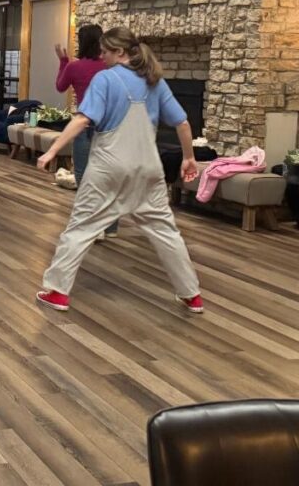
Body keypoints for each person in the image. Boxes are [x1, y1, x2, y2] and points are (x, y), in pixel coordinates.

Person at [35, 27, 204, 314]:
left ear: (120, 52)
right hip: (149, 168)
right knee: (166, 231)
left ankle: (57, 291)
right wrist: (189, 158)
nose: (101, 57)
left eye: (105, 52)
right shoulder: (155, 81)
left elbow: (82, 120)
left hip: (109, 167)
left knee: (81, 227)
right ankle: (192, 295)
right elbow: (183, 124)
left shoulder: (105, 79)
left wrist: (52, 149)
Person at [56, 23, 118, 241]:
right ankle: (110, 225)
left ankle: (94, 225)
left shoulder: (74, 67)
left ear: (81, 42)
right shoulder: (109, 66)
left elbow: (60, 86)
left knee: (83, 175)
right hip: (109, 126)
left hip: (85, 125)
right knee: (107, 175)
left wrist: (63, 61)